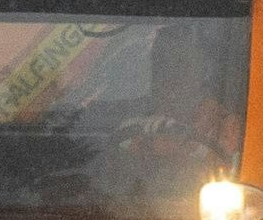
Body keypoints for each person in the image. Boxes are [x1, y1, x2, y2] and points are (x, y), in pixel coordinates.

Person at [98, 35, 241, 200]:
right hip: (139, 216)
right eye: (162, 66)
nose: (172, 74)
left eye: (181, 65)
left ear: (201, 72)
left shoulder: (225, 125)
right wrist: (152, 146)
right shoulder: (132, 127)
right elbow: (115, 176)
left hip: (203, 218)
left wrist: (182, 150)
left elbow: (232, 174)